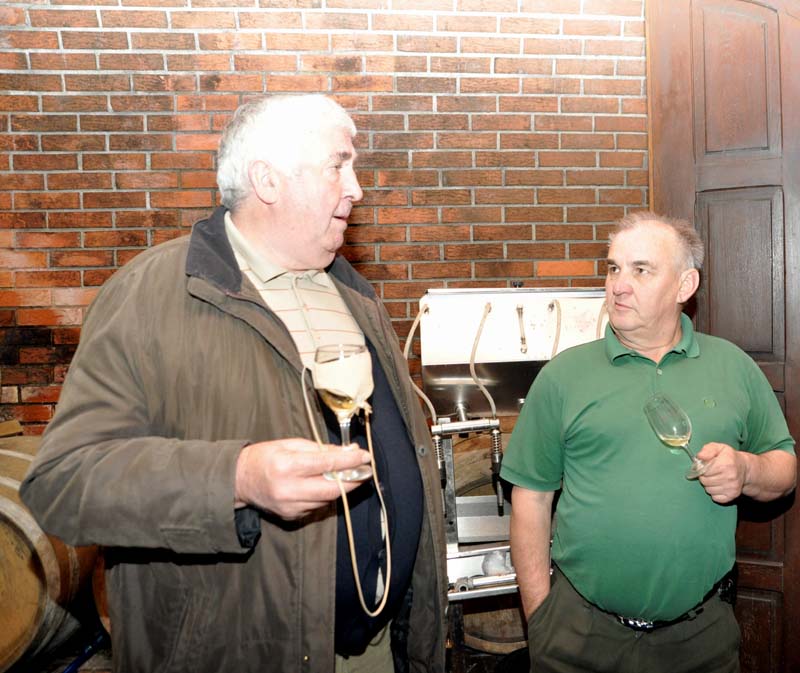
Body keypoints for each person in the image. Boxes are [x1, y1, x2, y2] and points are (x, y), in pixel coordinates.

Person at [20, 94, 447, 673]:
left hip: (377, 648)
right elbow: (64, 482)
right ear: (267, 180)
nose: (357, 189)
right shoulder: (152, 293)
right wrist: (237, 478)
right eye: (338, 165)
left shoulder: (352, 292)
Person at [501, 211, 796, 673]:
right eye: (613, 268)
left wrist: (747, 470)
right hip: (578, 636)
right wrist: (540, 620)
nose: (618, 285)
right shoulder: (563, 376)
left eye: (641, 270)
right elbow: (531, 500)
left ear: (684, 285)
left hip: (700, 638)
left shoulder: (733, 366)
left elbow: (785, 467)